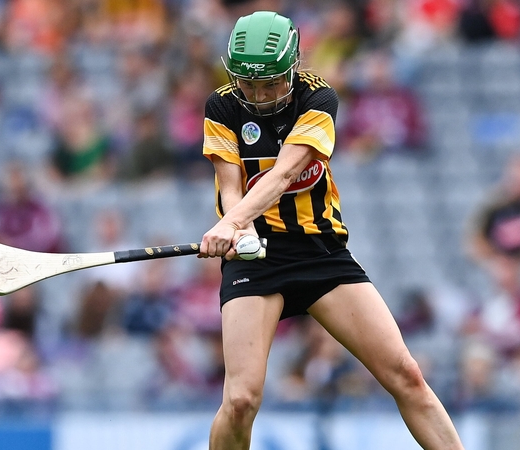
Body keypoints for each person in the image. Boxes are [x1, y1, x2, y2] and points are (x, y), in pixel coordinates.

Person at [197, 11, 465, 450]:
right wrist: (235, 228)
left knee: (407, 375)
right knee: (241, 399)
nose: (260, 96)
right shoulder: (222, 106)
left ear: (294, 67)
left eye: (271, 84)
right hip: (255, 259)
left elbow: (284, 173)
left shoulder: (318, 98)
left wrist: (230, 222)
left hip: (321, 252)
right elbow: (230, 184)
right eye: (250, 84)